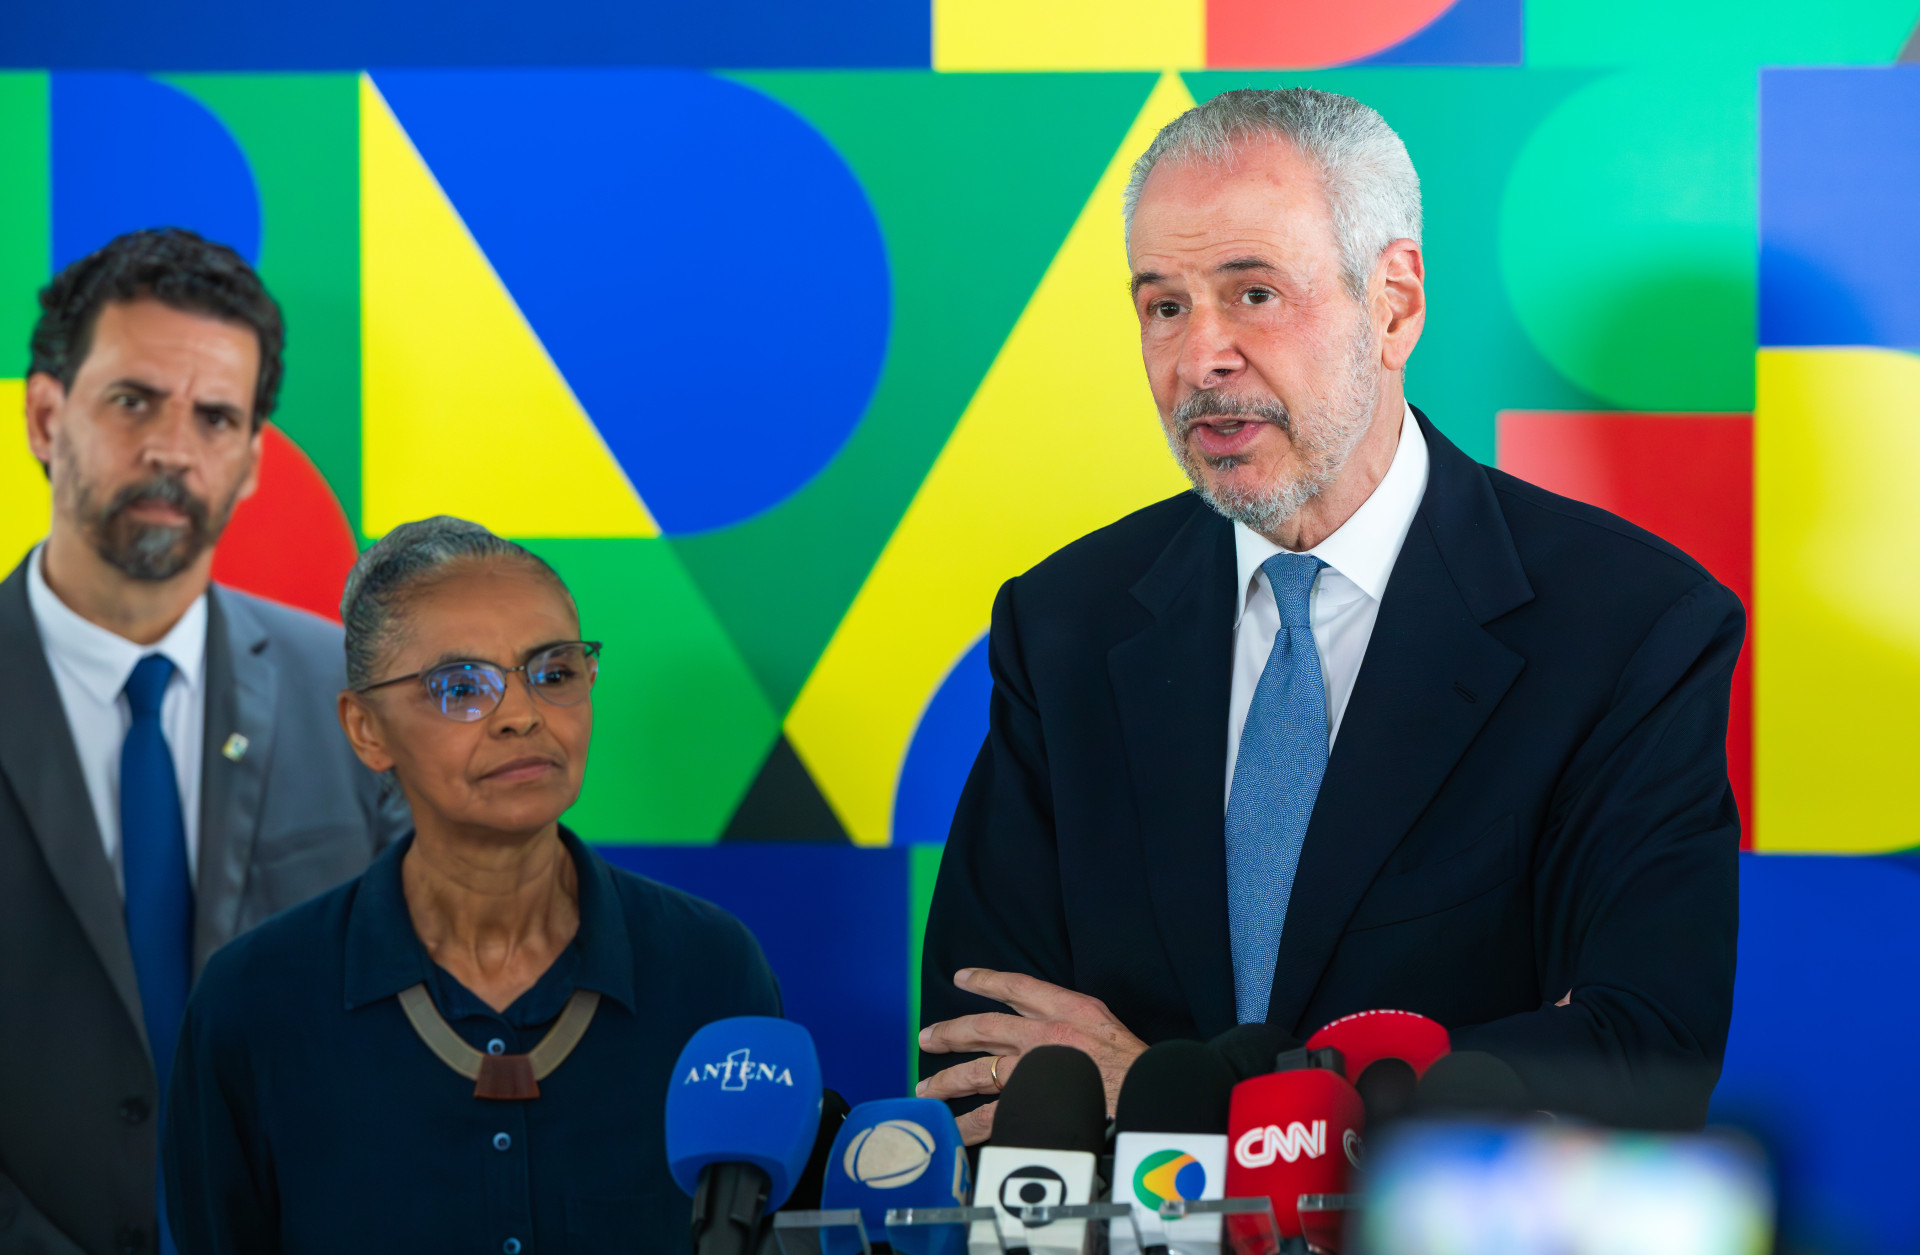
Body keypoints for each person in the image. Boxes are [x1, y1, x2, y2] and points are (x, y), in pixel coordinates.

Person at [916, 89, 1742, 1137]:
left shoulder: (1628, 626)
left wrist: (1195, 1104)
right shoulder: (1066, 623)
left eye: (1253, 293)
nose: (1198, 359)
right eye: (1163, 304)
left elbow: (1640, 1050)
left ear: (1393, 303)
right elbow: (986, 1057)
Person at [163, 516, 782, 1253]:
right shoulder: (254, 1002)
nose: (521, 715)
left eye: (554, 672)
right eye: (461, 687)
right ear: (366, 729)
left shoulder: (709, 971)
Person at [0, 228, 410, 1255]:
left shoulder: (358, 701)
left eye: (215, 416)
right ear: (46, 415)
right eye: (134, 399)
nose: (173, 449)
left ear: (254, 459)